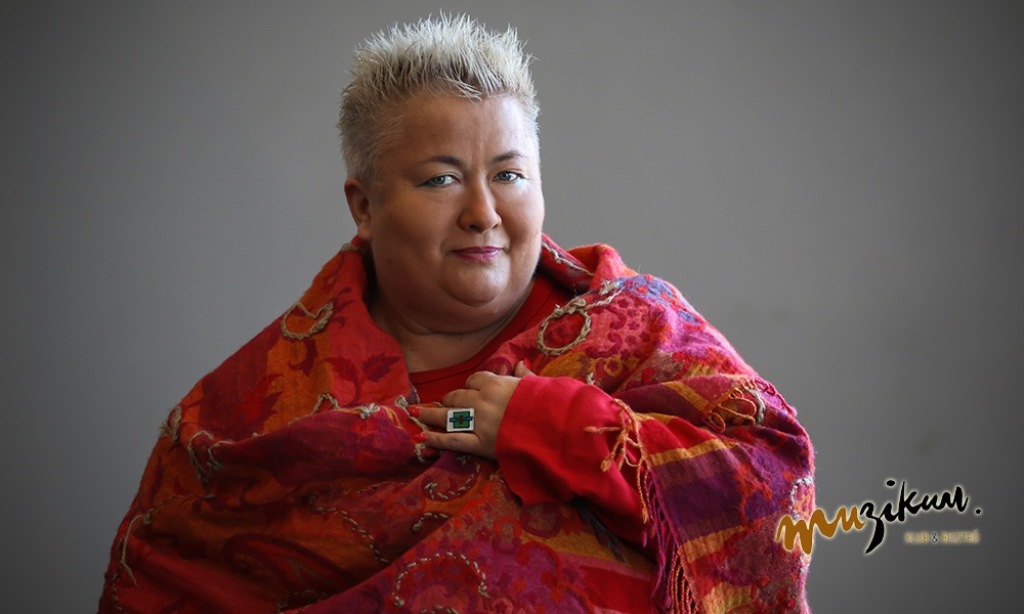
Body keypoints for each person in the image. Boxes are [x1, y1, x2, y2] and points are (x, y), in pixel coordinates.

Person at [99, 14, 814, 613]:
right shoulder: (242, 416)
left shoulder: (642, 331)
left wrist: (560, 428)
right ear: (365, 207)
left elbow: (773, 489)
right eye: (441, 179)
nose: (483, 212)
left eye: (509, 174)